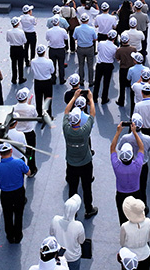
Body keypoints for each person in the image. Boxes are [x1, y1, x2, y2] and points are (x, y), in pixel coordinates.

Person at [63, 89, 99, 218]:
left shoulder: (66, 129)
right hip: (85, 163)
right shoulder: (85, 131)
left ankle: (73, 212)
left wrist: (74, 97)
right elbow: (92, 114)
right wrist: (91, 99)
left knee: (73, 188)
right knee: (86, 187)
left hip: (71, 163)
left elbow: (66, 111)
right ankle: (88, 209)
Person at [0, 142, 31, 243]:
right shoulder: (19, 163)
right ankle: (18, 235)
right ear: (11, 151)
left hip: (5, 194)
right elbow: (28, 173)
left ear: (0, 154)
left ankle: (10, 236)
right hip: (19, 192)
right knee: (19, 213)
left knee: (7, 214)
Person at [111, 122, 146, 223]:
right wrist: (134, 132)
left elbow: (112, 148)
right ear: (132, 156)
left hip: (121, 195)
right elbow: (141, 148)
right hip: (136, 193)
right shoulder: (137, 165)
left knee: (123, 217)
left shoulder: (116, 165)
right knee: (137, 215)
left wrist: (118, 132)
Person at [50, 195, 86, 270]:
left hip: (58, 255)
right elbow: (81, 241)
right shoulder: (78, 225)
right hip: (73, 257)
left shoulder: (55, 219)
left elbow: (51, 234)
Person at [120, 196, 150, 270]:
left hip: (130, 258)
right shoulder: (148, 221)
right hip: (145, 255)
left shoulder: (125, 226)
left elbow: (122, 243)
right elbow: (149, 238)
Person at [13, 87, 40, 174]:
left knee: (17, 152)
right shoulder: (31, 108)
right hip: (29, 133)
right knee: (30, 152)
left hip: (17, 133)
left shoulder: (13, 108)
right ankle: (31, 169)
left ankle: (20, 169)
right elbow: (35, 116)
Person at [73, 13, 97, 86]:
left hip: (80, 48)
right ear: (88, 20)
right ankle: (90, 81)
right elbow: (95, 38)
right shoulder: (91, 29)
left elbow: (74, 38)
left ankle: (81, 81)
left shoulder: (77, 29)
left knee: (81, 65)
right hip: (89, 49)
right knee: (90, 66)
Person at [31, 46, 55, 118]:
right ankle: (48, 115)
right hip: (47, 82)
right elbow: (52, 71)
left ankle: (39, 115)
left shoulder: (33, 61)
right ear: (44, 52)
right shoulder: (49, 61)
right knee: (47, 99)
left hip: (37, 82)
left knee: (38, 99)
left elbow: (32, 70)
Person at [95, 30, 118, 104]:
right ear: (115, 38)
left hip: (100, 64)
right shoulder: (115, 47)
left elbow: (98, 50)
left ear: (107, 35)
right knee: (106, 83)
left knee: (97, 82)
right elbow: (114, 57)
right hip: (108, 66)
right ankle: (104, 99)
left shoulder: (101, 43)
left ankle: (94, 98)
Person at [46, 16, 69, 82]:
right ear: (58, 22)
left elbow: (47, 39)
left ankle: (53, 79)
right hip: (61, 50)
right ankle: (62, 79)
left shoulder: (49, 31)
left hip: (52, 49)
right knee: (61, 65)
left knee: (53, 65)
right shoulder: (63, 30)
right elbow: (66, 38)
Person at [7, 16, 27, 84]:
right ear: (18, 24)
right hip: (20, 48)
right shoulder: (21, 32)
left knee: (13, 64)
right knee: (20, 64)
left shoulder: (9, 32)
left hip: (12, 48)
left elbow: (7, 40)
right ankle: (20, 78)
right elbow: (24, 41)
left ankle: (14, 78)